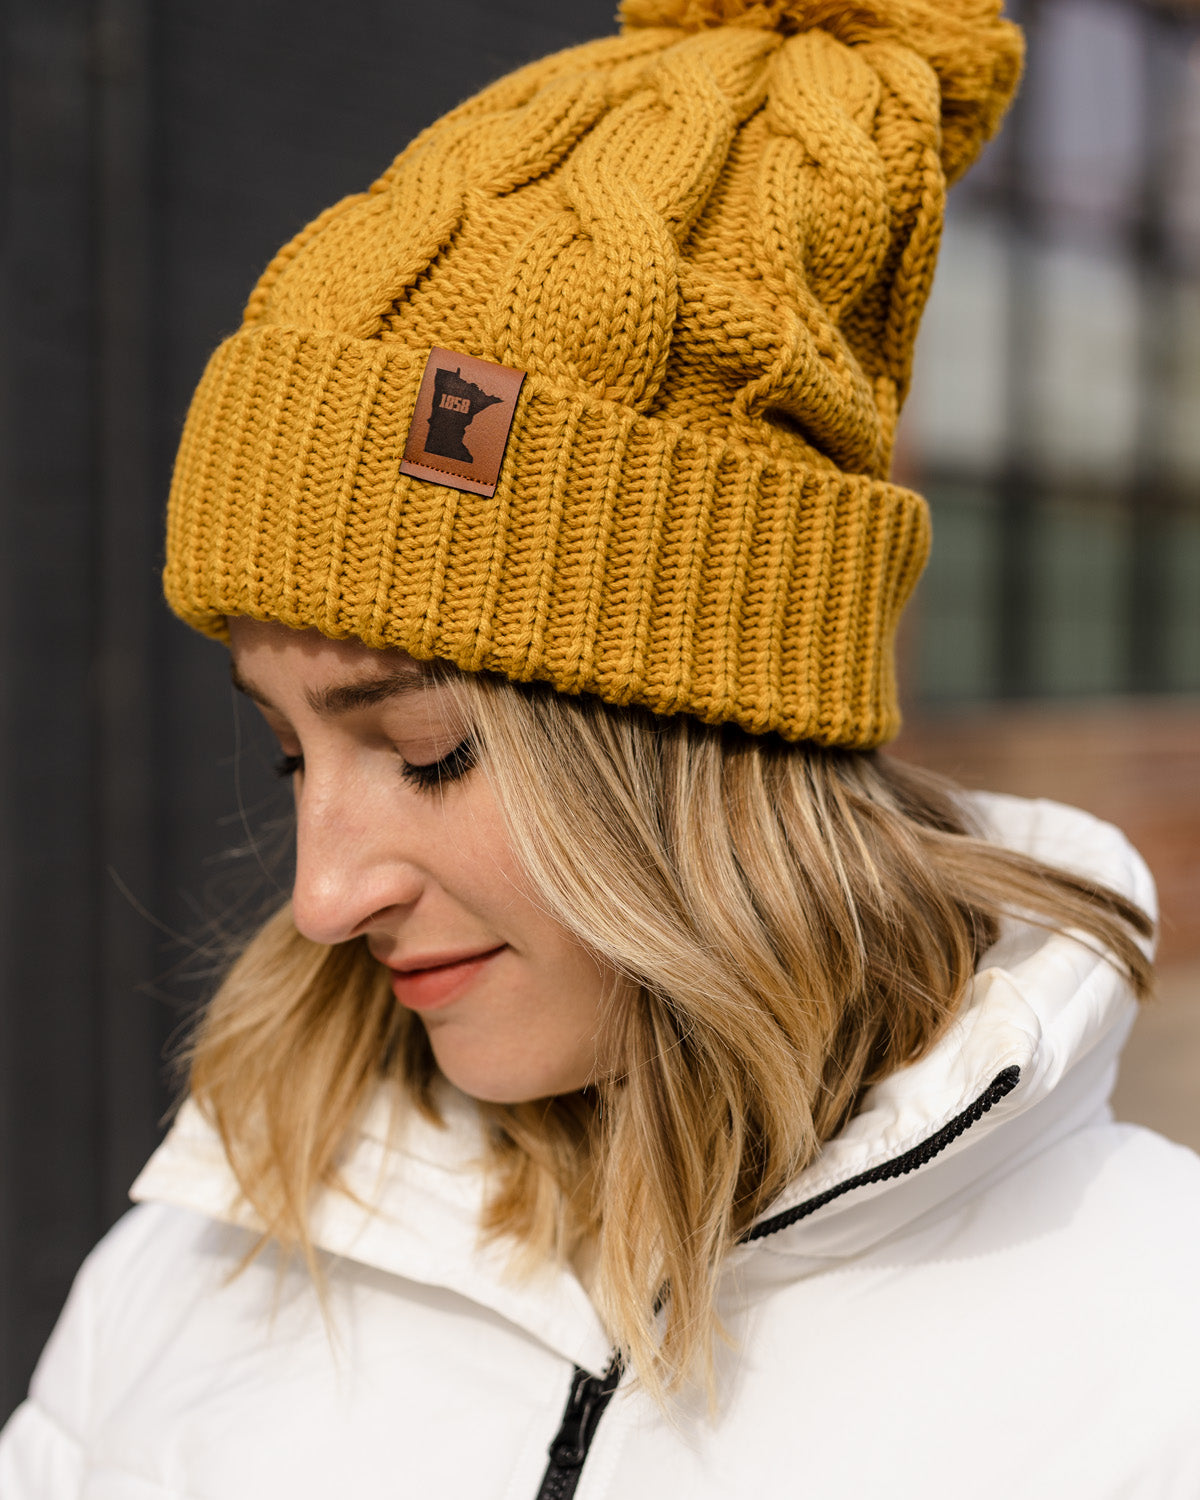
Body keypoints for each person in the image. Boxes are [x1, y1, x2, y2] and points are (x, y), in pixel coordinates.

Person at [3, 0, 1199, 1494]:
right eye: (292, 757)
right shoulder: (201, 1261)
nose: (322, 898)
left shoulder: (1156, 1362)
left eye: (428, 750)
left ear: (722, 743)